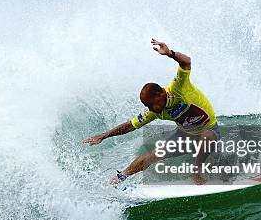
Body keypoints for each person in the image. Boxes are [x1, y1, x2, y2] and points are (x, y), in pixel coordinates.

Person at [83, 39, 219, 185]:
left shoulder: (178, 88)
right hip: (185, 135)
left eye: (151, 105)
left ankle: (196, 171)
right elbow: (130, 125)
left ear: (161, 93)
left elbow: (186, 62)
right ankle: (121, 177)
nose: (150, 109)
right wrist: (104, 136)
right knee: (154, 154)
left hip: (210, 129)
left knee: (207, 135)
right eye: (147, 106)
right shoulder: (155, 111)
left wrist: (170, 54)